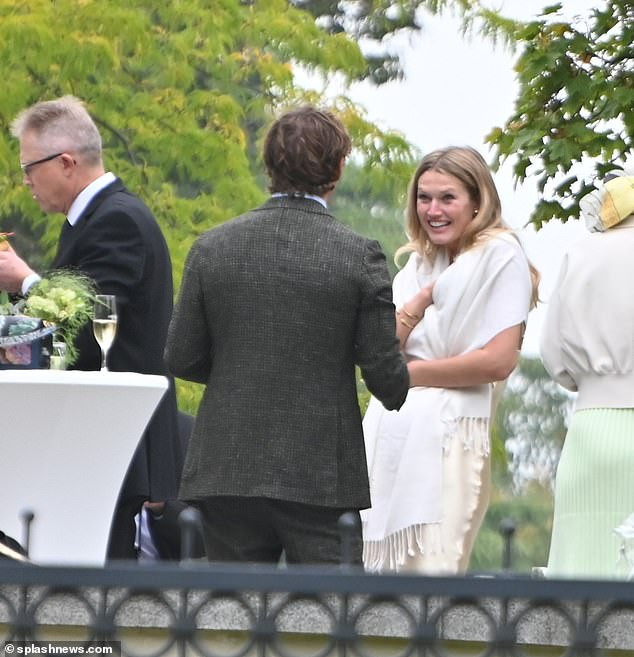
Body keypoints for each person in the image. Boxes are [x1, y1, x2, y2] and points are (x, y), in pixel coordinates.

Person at [164, 106, 410, 566]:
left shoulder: (212, 248)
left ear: (269, 166)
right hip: (321, 476)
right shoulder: (359, 256)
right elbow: (385, 376)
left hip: (228, 465)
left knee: (233, 607)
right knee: (330, 606)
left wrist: (240, 371)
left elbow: (180, 356)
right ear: (338, 169)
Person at [0, 95, 184, 560]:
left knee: (97, 578)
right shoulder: (93, 218)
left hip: (110, 439)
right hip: (94, 437)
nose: (25, 182)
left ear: (66, 162)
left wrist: (27, 282)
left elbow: (91, 322)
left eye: (29, 168)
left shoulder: (116, 220)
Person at [361, 146, 539, 574]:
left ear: (477, 201)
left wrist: (412, 374)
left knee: (434, 570)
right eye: (424, 198)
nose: (433, 210)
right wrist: (420, 301)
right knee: (378, 581)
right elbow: (383, 353)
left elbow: (498, 361)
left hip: (452, 438)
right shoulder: (418, 266)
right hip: (393, 434)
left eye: (447, 198)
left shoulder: (500, 255)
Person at [540, 171, 634, 579]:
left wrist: (596, 380)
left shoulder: (581, 254)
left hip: (594, 426)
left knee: (584, 568)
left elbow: (553, 354)